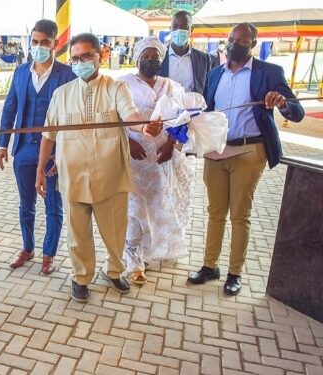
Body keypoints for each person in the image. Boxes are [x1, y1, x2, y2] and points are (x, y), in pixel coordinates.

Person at [36, 33, 163, 302]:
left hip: (110, 175)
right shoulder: (61, 94)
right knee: (77, 234)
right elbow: (49, 135)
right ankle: (81, 277)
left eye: (86, 56)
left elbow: (130, 114)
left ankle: (114, 271)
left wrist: (144, 126)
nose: (80, 62)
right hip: (73, 176)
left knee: (115, 231)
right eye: (75, 58)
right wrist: (40, 170)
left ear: (99, 56)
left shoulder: (116, 88)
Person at [188, 23, 304, 296]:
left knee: (240, 215)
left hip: (250, 151)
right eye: (230, 39)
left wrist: (282, 103)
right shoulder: (216, 73)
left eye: (241, 41)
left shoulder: (269, 72)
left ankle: (235, 273)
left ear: (253, 44)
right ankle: (209, 266)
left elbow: (297, 111)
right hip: (217, 151)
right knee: (216, 212)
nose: (233, 45)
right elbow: (206, 109)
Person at [0, 19, 77, 275]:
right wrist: (2, 145)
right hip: (23, 150)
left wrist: (61, 153)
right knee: (25, 203)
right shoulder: (21, 72)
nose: (39, 47)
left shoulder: (67, 75)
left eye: (44, 42)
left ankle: (49, 254)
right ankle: (28, 247)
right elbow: (9, 108)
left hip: (53, 153)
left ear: (55, 43)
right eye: (35, 42)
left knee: (53, 205)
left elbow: (72, 116)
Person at [118, 36, 191, 285]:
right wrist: (129, 143)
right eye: (146, 57)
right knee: (134, 211)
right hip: (133, 159)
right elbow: (112, 119)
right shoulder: (122, 84)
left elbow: (184, 120)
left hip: (162, 160)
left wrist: (170, 145)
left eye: (155, 57)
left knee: (157, 207)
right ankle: (133, 260)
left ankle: (149, 253)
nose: (151, 61)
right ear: (136, 58)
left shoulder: (172, 86)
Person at [159, 10, 211, 95]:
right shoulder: (159, 56)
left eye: (185, 26)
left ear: (192, 29)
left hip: (194, 107)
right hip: (165, 107)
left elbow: (206, 89)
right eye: (175, 26)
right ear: (170, 29)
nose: (179, 30)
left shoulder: (204, 59)